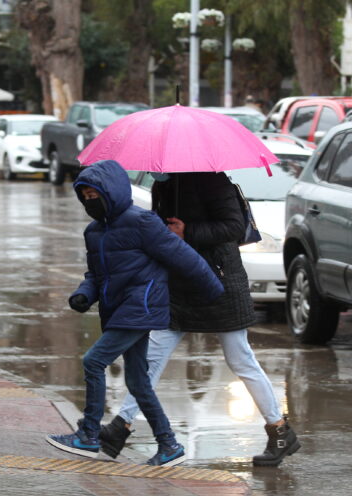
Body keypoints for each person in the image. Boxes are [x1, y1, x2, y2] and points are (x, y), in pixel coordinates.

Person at [98, 171, 301, 467]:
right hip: (180, 284)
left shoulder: (214, 182)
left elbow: (233, 227)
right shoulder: (165, 185)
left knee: (241, 359)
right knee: (152, 356)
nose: (156, 172)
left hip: (218, 282)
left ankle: (280, 431)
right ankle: (121, 426)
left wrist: (187, 231)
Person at [46, 160, 224, 467]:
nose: (90, 201)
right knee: (138, 381)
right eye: (85, 197)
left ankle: (88, 434)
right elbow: (96, 275)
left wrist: (214, 291)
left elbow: (183, 257)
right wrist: (83, 294)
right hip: (119, 310)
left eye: (95, 195)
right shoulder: (94, 232)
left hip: (141, 307)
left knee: (93, 361)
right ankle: (169, 445)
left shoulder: (142, 222)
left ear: (111, 192)